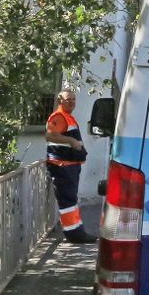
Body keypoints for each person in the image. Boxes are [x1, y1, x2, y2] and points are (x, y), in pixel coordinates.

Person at [45, 87, 97, 244]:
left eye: (74, 99)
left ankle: (76, 230)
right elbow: (50, 135)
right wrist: (72, 141)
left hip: (69, 165)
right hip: (62, 166)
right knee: (68, 201)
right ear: (60, 101)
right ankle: (73, 234)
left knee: (71, 200)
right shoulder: (59, 116)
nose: (72, 102)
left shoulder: (68, 117)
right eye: (68, 100)